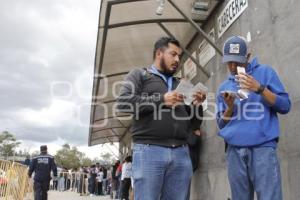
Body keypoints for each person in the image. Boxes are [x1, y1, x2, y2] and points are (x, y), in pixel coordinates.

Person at [117, 37, 205, 200]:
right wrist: (162, 100)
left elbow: (194, 123)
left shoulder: (180, 83)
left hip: (181, 153)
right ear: (159, 53)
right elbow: (123, 103)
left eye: (179, 56)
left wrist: (197, 106)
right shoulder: (140, 75)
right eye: (173, 54)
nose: (177, 60)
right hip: (149, 151)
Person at [216, 36, 291, 200]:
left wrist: (260, 88)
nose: (234, 67)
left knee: (269, 197)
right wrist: (229, 107)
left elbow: (285, 106)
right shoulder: (223, 87)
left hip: (262, 149)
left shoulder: (265, 73)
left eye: (238, 62)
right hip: (234, 151)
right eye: (229, 62)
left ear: (248, 57)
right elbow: (221, 125)